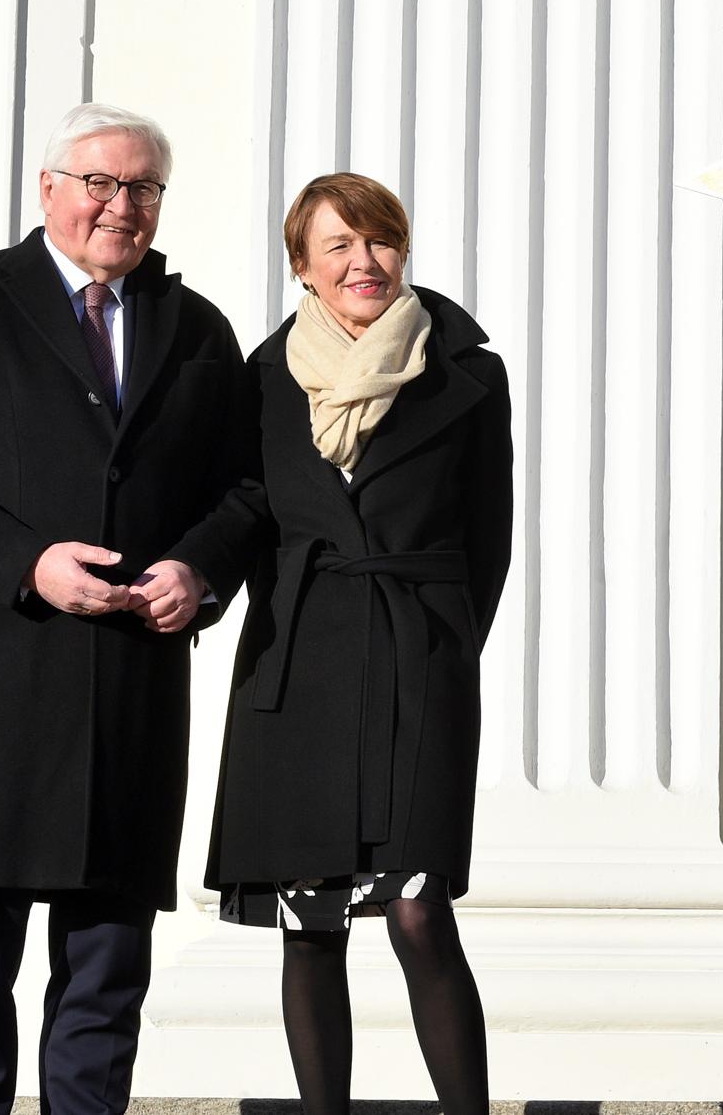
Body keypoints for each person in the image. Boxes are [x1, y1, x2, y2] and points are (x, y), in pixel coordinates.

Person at [0, 103, 246, 1115]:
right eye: (100, 183)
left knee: (105, 980)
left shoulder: (199, 329)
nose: (122, 206)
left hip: (128, 687)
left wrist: (197, 568)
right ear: (48, 188)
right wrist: (28, 563)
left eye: (144, 188)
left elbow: (245, 489)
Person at [175, 173, 513, 1114]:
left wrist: (445, 646)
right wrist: (190, 579)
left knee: (417, 908)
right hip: (298, 662)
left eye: (380, 240)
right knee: (311, 921)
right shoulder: (263, 378)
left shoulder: (468, 371)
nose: (364, 261)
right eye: (339, 245)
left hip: (418, 658)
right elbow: (245, 511)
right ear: (303, 266)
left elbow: (489, 540)